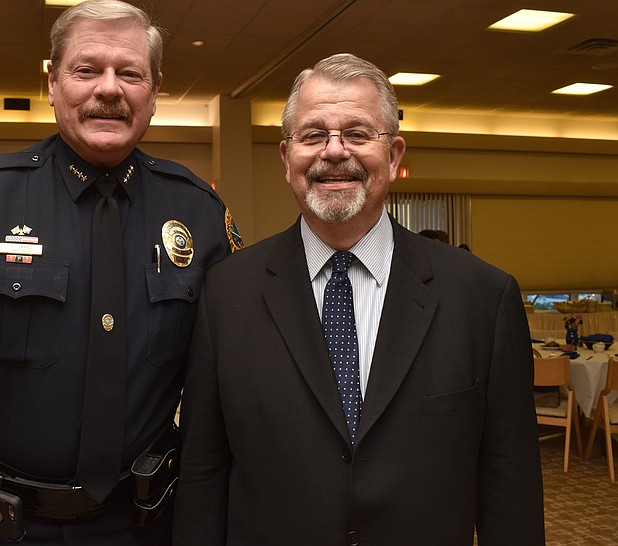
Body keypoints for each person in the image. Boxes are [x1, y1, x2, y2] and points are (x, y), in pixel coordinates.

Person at [0, 1, 240, 545]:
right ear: (52, 82)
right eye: (86, 69)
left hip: (148, 526)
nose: (109, 89)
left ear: (154, 91)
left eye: (130, 73)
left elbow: (223, 393)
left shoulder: (201, 216)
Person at [173, 53, 544, 546]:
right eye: (313, 135)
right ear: (287, 159)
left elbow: (510, 485)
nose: (334, 152)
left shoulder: (482, 299)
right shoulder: (226, 294)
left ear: (393, 156)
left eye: (357, 133)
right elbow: (203, 472)